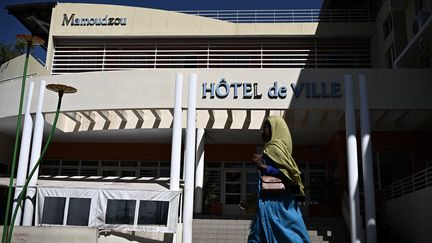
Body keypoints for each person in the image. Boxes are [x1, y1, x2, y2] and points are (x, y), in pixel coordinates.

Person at [247, 116, 310, 243]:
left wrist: (263, 166)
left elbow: (287, 176)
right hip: (278, 201)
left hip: (276, 205)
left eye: (265, 127)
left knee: (276, 234)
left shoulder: (273, 148)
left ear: (274, 129)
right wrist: (251, 200)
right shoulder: (278, 148)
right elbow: (268, 182)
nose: (261, 131)